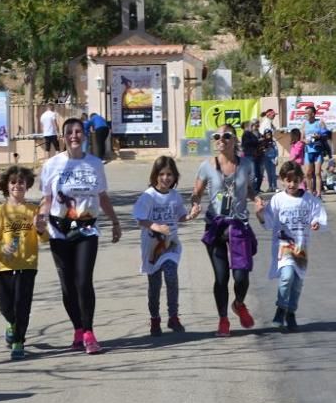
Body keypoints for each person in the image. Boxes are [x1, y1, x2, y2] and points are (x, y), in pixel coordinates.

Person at [39, 117, 121, 355]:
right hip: (59, 230)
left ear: (84, 136)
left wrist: (115, 221)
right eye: (69, 132)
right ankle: (77, 329)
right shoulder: (52, 165)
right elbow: (47, 201)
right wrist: (41, 219)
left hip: (86, 228)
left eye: (78, 132)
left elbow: (103, 197)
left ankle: (89, 332)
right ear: (63, 137)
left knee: (83, 281)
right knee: (68, 286)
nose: (74, 136)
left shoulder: (95, 164)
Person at [189, 123, 261, 337]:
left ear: (234, 140)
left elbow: (249, 189)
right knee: (221, 277)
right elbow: (197, 192)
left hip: (238, 225)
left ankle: (238, 303)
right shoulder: (207, 166)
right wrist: (195, 203)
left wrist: (256, 199)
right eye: (217, 136)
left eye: (226, 136)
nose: (221, 139)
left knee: (241, 276)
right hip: (216, 225)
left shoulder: (246, 164)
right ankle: (223, 320)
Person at [0, 166, 48, 361]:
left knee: (22, 305)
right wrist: (0, 247)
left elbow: (45, 238)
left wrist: (41, 229)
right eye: (13, 182)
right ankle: (12, 324)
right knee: (5, 305)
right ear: (6, 186)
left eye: (21, 182)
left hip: (27, 264)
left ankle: (18, 340)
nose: (17, 185)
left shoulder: (34, 210)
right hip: (4, 265)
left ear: (27, 185)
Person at [254, 161, 327, 332]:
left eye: (295, 181)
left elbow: (318, 216)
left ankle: (291, 312)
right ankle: (281, 308)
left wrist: (316, 223)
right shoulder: (278, 199)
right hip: (284, 245)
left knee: (297, 283)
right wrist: (259, 215)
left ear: (301, 180)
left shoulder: (309, 200)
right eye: (288, 181)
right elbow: (269, 223)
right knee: (286, 277)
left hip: (301, 246)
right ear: (282, 180)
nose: (292, 184)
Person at [133, 156, 196, 337]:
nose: (166, 178)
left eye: (169, 174)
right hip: (152, 248)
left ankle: (173, 316)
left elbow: (180, 216)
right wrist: (156, 226)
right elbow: (140, 217)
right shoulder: (148, 196)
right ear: (155, 175)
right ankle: (155, 319)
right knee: (154, 285)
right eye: (162, 174)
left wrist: (191, 215)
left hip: (171, 246)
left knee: (171, 276)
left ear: (175, 176)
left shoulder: (175, 196)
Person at [301, 106, 331, 196]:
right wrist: (305, 141)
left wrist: (319, 137)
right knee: (308, 173)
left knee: (317, 173)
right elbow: (301, 138)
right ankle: (310, 192)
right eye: (305, 113)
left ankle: (318, 193)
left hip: (318, 151)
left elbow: (327, 135)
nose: (305, 115)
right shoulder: (304, 124)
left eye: (307, 113)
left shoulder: (320, 123)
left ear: (313, 114)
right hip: (308, 151)